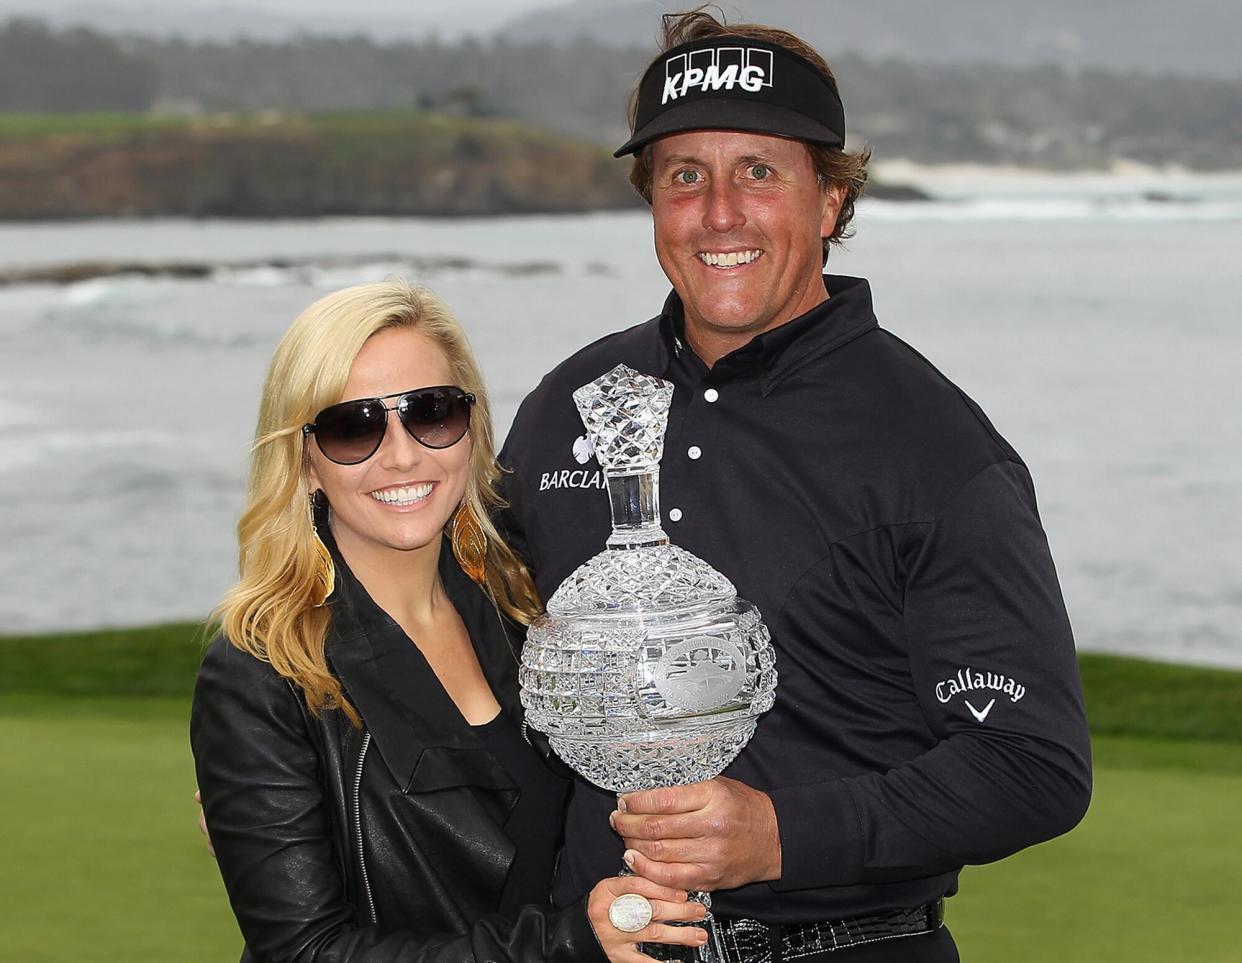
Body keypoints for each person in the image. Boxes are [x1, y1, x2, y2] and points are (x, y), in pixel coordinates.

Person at [497, 10, 1093, 962]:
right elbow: (456, 639)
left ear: (830, 201)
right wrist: (304, 762)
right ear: (652, 202)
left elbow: (1033, 766)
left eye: (760, 172)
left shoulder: (933, 448)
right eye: (685, 174)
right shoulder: (573, 404)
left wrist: (781, 834)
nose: (720, 211)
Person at [190, 280, 707, 962]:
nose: (403, 454)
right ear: (305, 461)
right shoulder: (261, 671)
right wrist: (568, 941)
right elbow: (304, 951)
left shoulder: (519, 613)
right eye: (355, 425)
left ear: (471, 430)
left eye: (431, 413)